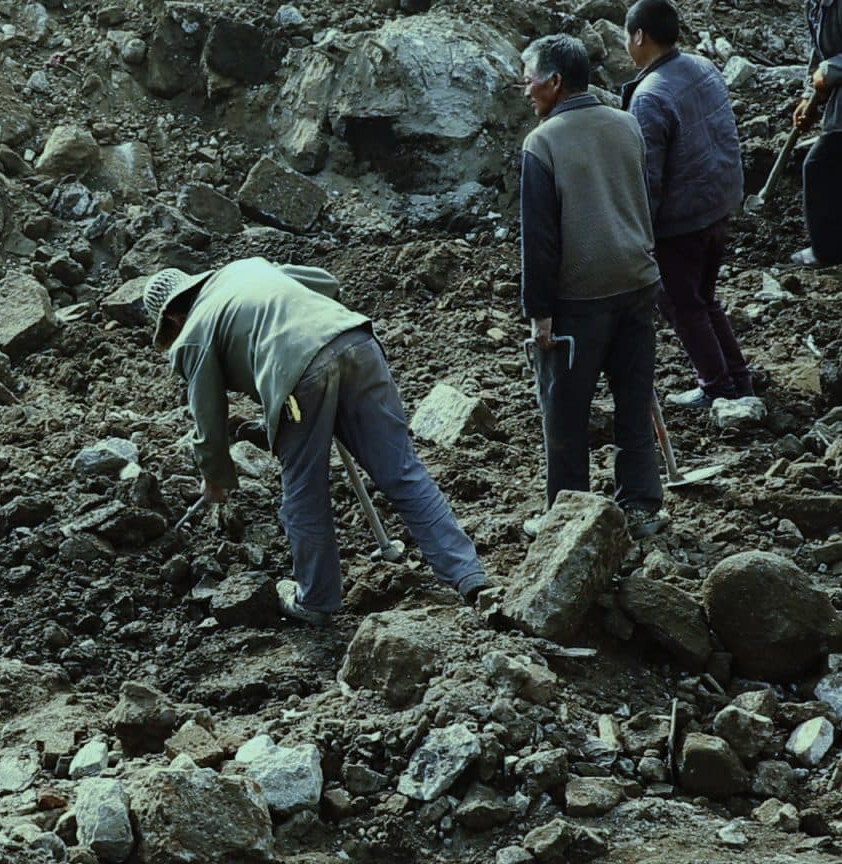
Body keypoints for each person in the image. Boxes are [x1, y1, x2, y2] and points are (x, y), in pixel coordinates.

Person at [144, 259, 491, 627]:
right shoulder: (246, 269)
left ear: (173, 320)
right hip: (353, 339)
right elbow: (325, 281)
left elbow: (208, 419)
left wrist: (215, 478)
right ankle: (469, 576)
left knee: (304, 493)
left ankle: (316, 599)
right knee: (403, 471)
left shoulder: (192, 333)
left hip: (300, 374)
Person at [519, 34, 666, 537]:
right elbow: (646, 197)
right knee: (633, 400)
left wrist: (539, 313)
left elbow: (539, 242)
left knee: (565, 414)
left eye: (530, 80)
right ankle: (643, 506)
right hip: (638, 284)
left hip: (581, 301)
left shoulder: (542, 144)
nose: (526, 91)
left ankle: (567, 516)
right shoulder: (627, 123)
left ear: (556, 82)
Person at [622, 0, 753, 408]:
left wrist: (639, 234)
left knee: (683, 304)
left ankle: (717, 386)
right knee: (703, 298)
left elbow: (649, 180)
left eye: (627, 36)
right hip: (719, 206)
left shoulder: (648, 97)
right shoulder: (701, 66)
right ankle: (739, 378)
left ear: (639, 36)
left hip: (683, 222)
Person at [793, 0, 842, 266]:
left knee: (819, 167)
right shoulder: (816, 3)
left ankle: (829, 251)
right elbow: (817, 53)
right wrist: (808, 96)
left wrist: (830, 71)